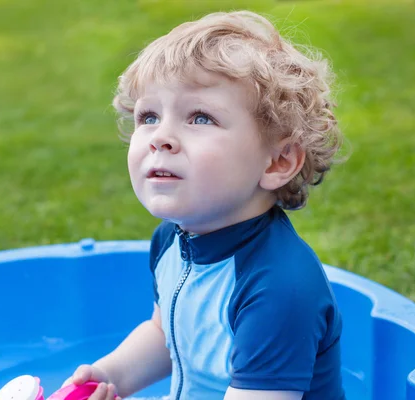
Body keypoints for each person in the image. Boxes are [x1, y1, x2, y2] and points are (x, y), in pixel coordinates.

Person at [63, 10, 346, 400]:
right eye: (149, 116)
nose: (161, 137)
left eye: (199, 118)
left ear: (278, 161)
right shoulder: (173, 240)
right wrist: (109, 375)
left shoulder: (278, 287)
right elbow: (166, 333)